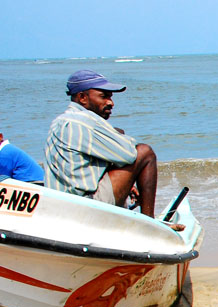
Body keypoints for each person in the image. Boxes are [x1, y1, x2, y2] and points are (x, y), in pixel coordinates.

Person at [45, 70, 162, 218]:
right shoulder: (83, 122)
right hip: (83, 206)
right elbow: (130, 154)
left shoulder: (61, 121)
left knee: (117, 134)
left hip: (59, 205)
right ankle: (149, 222)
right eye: (104, 96)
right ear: (82, 97)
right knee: (145, 152)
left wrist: (129, 183)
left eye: (110, 97)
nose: (110, 102)